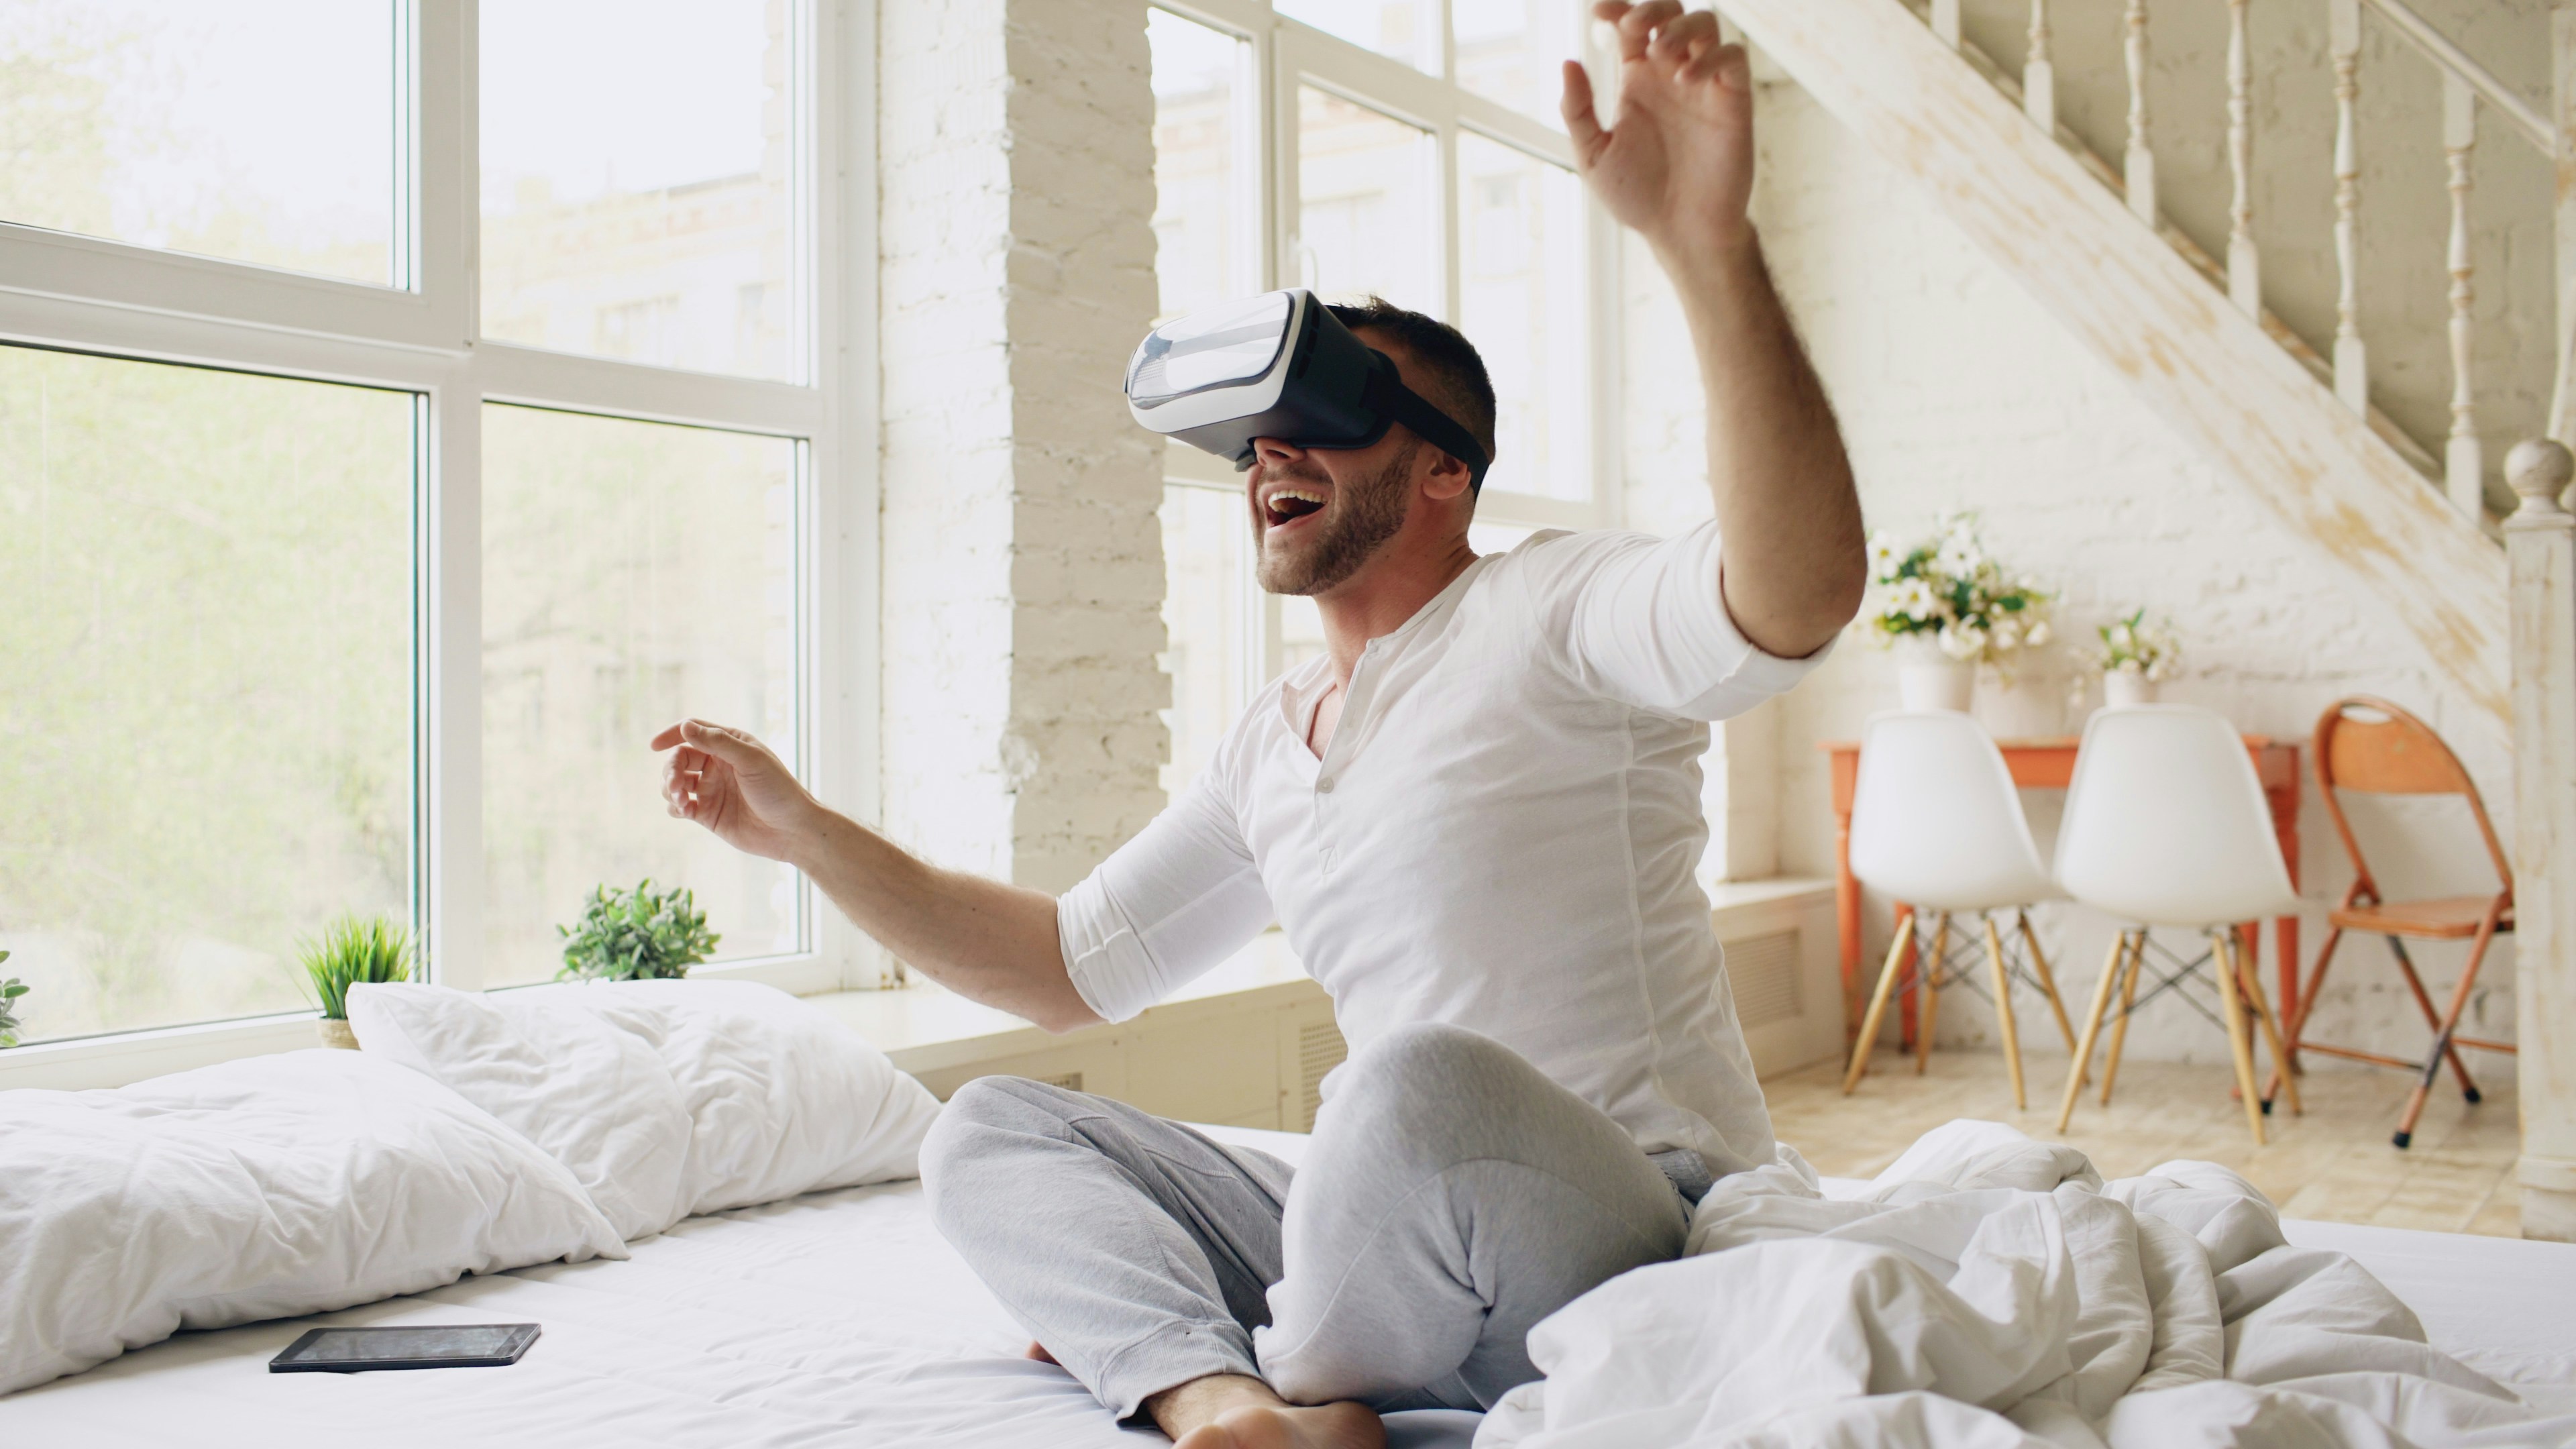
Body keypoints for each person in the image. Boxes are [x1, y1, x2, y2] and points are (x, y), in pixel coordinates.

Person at [650, 3, 1863, 1446]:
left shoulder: (1554, 610)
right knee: (995, 1126)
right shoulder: (1274, 735)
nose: (1270, 452)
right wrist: (800, 831)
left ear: (1441, 478)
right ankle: (1230, 1402)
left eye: (1324, 414)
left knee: (1411, 1083)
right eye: (1253, 432)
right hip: (1387, 1233)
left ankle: (1297, 1379)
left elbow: (1794, 593)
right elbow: (1065, 970)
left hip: (1613, 1224)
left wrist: (1703, 245)